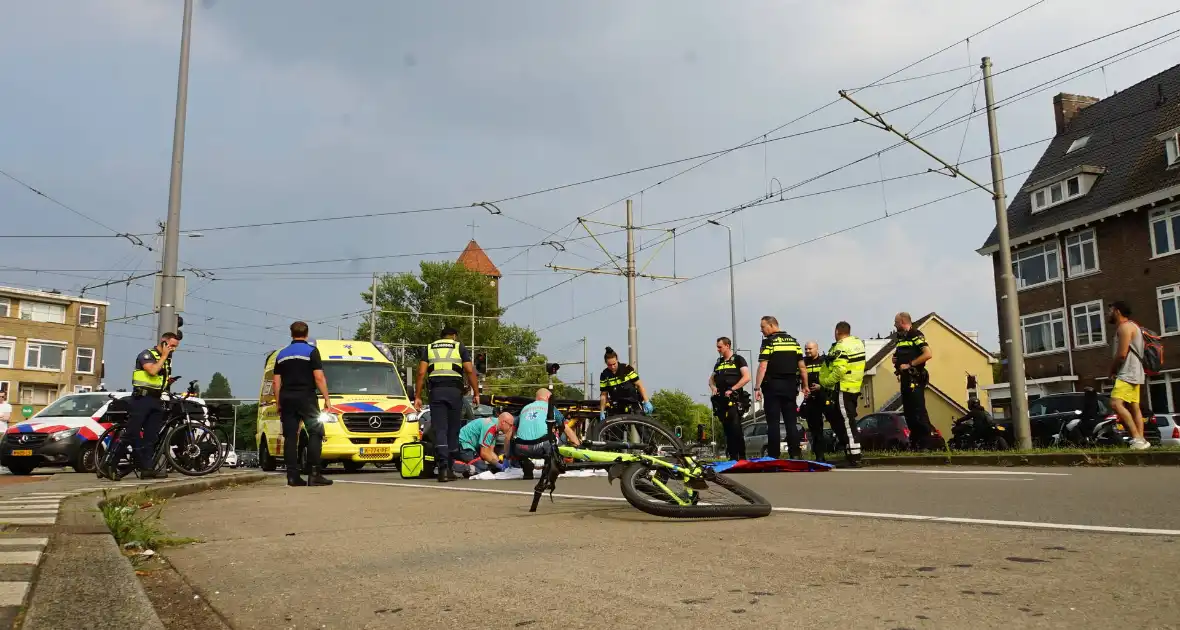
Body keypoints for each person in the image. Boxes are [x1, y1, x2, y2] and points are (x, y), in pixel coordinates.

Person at [272, 321, 335, 487]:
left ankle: (292, 476)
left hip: (287, 398)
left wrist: (279, 402)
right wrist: (327, 399)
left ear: (291, 334)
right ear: (307, 334)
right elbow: (319, 377)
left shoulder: (281, 355)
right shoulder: (311, 352)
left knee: (290, 437)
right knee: (315, 432)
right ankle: (314, 474)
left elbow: (276, 382)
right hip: (306, 397)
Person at [416, 326, 481, 483]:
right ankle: (450, 468)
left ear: (441, 336)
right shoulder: (459, 347)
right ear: (454, 336)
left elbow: (421, 373)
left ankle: (443, 468)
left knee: (440, 429)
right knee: (453, 430)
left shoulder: (430, 348)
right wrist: (476, 392)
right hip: (454, 392)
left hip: (436, 392)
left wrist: (417, 396)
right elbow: (469, 370)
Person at [128, 332, 179, 479]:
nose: (173, 349)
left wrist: (167, 382)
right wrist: (163, 356)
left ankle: (148, 468)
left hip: (155, 399)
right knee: (132, 433)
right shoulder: (147, 354)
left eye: (175, 347)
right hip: (142, 398)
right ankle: (113, 463)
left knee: (152, 436)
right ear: (163, 342)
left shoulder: (166, 360)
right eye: (171, 346)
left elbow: (158, 378)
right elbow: (152, 371)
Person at [754, 316, 807, 459]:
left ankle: (774, 456)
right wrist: (805, 386)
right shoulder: (793, 342)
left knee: (773, 423)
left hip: (773, 387)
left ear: (771, 325)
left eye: (763, 327)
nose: (761, 330)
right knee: (791, 422)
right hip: (790, 387)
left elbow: (763, 366)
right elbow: (802, 367)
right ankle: (795, 454)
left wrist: (757, 388)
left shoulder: (769, 342)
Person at [502, 389, 581, 480]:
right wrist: (578, 448)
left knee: (514, 440)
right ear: (548, 397)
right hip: (542, 447)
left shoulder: (524, 408)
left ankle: (524, 463)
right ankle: (549, 466)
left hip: (521, 449)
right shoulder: (551, 408)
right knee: (561, 435)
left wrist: (507, 456)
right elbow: (566, 429)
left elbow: (509, 434)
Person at [819, 321, 866, 465]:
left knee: (847, 422)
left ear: (838, 331)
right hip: (854, 386)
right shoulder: (857, 343)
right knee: (849, 420)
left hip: (843, 388)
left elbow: (840, 369)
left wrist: (826, 382)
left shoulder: (841, 347)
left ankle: (854, 455)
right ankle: (853, 452)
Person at [1108, 301, 1149, 450]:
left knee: (1115, 403)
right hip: (1136, 371)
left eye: (1110, 310)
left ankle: (1137, 438)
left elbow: (1121, 354)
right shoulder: (1134, 326)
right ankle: (1142, 440)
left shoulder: (1125, 327)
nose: (1109, 314)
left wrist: (1112, 370)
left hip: (1127, 371)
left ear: (1117, 311)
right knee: (1134, 406)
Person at [893, 312, 934, 451]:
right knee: (909, 412)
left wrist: (910, 364)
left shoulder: (915, 334)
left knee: (918, 411)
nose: (894, 325)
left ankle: (926, 444)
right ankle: (915, 443)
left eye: (896, 322)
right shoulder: (900, 338)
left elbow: (927, 353)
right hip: (905, 379)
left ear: (903, 321)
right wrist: (897, 361)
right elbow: (902, 355)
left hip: (915, 378)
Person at [708, 337, 751, 462]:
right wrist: (713, 387)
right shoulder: (719, 362)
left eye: (720, 347)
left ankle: (741, 457)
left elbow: (746, 377)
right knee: (727, 429)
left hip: (734, 399)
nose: (718, 349)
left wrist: (733, 389)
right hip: (722, 401)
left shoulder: (738, 360)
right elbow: (711, 379)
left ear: (727, 346)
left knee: (736, 428)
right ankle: (732, 457)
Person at [599, 347, 652, 422]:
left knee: (643, 428)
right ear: (606, 363)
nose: (612, 367)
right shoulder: (604, 375)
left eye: (614, 364)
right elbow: (604, 395)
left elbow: (639, 385)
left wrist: (646, 401)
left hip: (633, 403)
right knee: (615, 432)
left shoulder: (626, 368)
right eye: (609, 365)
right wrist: (602, 411)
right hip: (617, 406)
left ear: (617, 360)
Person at [799, 341, 828, 462]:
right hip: (810, 399)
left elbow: (831, 377)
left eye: (810, 349)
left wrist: (821, 386)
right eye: (806, 349)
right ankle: (819, 456)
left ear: (817, 349)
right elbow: (798, 377)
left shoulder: (824, 361)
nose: (807, 351)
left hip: (825, 396)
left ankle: (847, 451)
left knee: (836, 424)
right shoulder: (803, 362)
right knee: (815, 429)